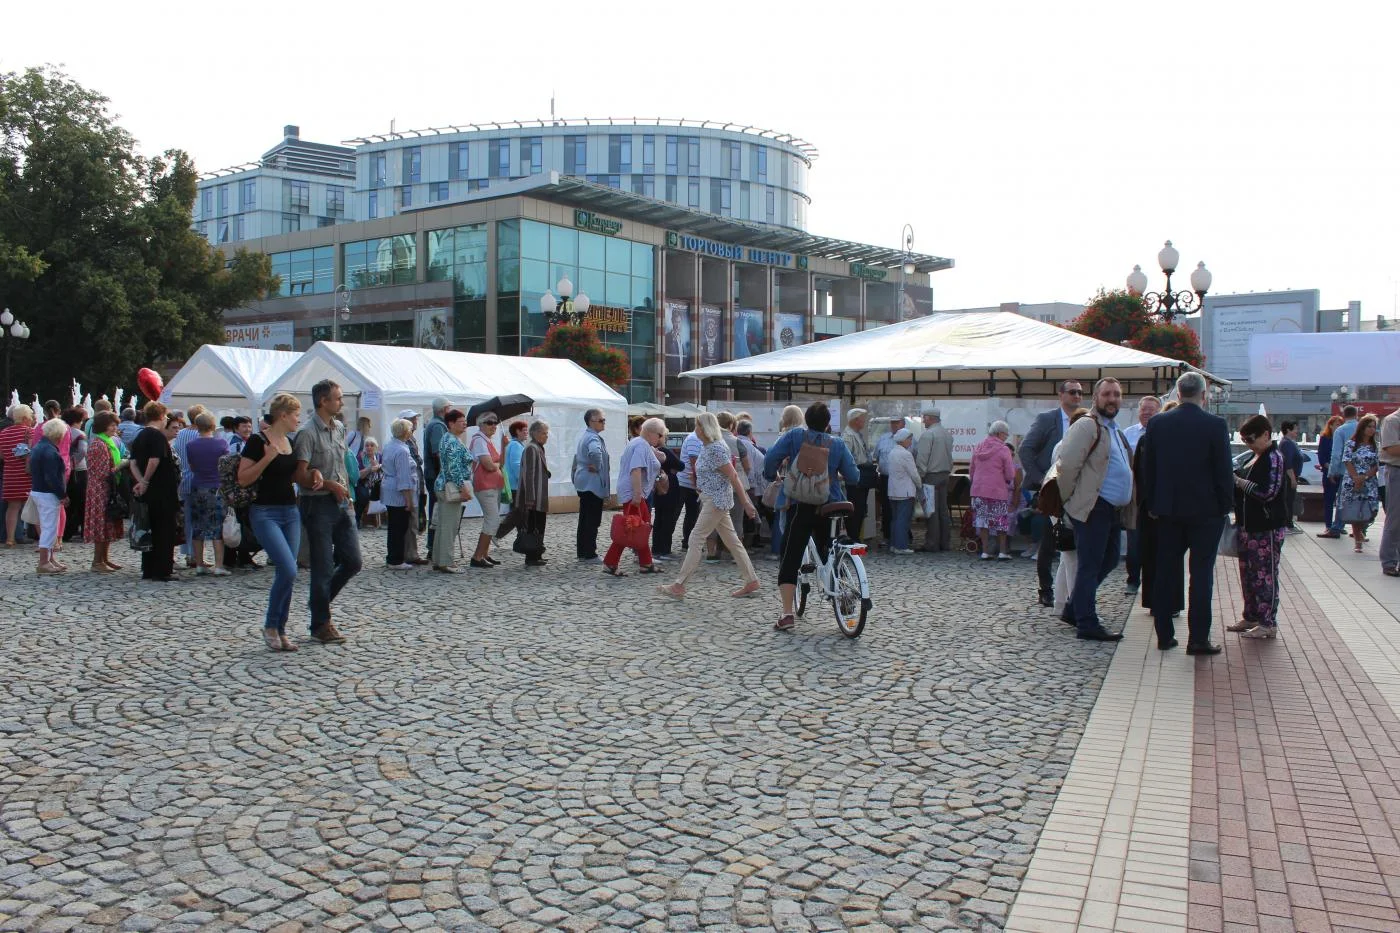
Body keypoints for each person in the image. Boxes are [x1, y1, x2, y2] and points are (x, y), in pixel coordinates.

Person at [1139, 372, 1233, 654]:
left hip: (1167, 511)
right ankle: (1198, 639)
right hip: (1206, 512)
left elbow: (1148, 468)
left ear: (1178, 394)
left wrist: (1152, 504)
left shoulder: (1158, 423)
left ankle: (1164, 635)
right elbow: (1223, 471)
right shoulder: (1215, 425)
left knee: (1165, 571)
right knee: (1201, 575)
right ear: (1204, 395)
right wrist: (1226, 506)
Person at [764, 403, 860, 631]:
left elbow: (771, 458)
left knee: (790, 555)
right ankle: (842, 589)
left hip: (800, 505)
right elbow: (854, 476)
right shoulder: (837, 443)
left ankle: (787, 614)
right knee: (832, 549)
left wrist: (771, 475)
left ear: (806, 420)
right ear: (828, 424)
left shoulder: (794, 436)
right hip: (831, 505)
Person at [1055, 378, 1136, 643]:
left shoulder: (1113, 429)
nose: (1112, 399)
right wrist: (1069, 503)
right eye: (1107, 394)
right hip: (1093, 507)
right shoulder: (1087, 425)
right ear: (1096, 398)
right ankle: (1087, 623)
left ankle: (1073, 608)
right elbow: (1066, 467)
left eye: (1117, 394)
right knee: (1089, 566)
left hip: (1112, 509)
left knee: (1109, 559)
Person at [657, 413, 759, 597]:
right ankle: (751, 580)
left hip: (716, 500)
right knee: (732, 542)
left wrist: (746, 502)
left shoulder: (715, 448)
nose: (695, 429)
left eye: (697, 425)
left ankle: (679, 584)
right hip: (713, 499)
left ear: (704, 428)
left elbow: (733, 475)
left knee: (696, 538)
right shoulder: (708, 446)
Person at [293, 380, 360, 645]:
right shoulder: (307, 433)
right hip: (317, 504)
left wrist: (345, 491)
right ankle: (321, 623)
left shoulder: (339, 428)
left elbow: (341, 465)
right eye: (338, 398)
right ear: (323, 401)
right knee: (322, 566)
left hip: (341, 502)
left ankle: (318, 603)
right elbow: (299, 475)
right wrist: (329, 484)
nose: (341, 402)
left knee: (353, 561)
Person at [239, 393, 303, 652]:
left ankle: (281, 629)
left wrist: (314, 475)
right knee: (288, 569)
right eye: (296, 414)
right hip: (265, 512)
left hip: (290, 512)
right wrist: (267, 458)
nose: (299, 419)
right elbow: (243, 478)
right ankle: (270, 625)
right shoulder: (258, 441)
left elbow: (291, 475)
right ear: (283, 415)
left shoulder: (290, 442)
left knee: (287, 573)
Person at [1020, 379, 1086, 607]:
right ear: (1061, 395)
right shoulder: (1047, 419)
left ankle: (1067, 594)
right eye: (1072, 392)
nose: (1077, 396)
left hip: (1077, 492)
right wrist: (1040, 479)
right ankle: (1045, 589)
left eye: (1080, 392)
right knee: (1049, 542)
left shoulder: (1086, 421)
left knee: (1071, 547)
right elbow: (1025, 449)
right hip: (1053, 491)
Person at [1225, 415, 1290, 640]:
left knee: (1265, 575)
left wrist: (1240, 482)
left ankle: (1267, 622)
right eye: (1244, 440)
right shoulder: (1256, 456)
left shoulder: (1274, 457)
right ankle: (1252, 615)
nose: (1248, 444)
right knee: (1249, 574)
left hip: (1267, 526)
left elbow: (1268, 492)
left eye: (1251, 439)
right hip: (1249, 525)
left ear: (1266, 434)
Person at [604, 416, 668, 576]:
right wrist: (637, 496)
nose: (660, 439)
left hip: (635, 493)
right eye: (660, 435)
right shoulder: (641, 445)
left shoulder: (641, 443)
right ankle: (610, 563)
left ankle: (646, 563)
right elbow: (636, 469)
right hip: (634, 494)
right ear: (651, 432)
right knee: (631, 528)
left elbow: (660, 458)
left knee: (641, 526)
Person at [128, 401, 180, 583]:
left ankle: (148, 568)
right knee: (164, 530)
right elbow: (154, 460)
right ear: (161, 417)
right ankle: (162, 570)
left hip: (148, 490)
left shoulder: (140, 435)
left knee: (149, 529)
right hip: (162, 489)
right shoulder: (157, 436)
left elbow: (133, 462)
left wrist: (141, 481)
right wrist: (146, 480)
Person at [1051, 408, 1093, 615]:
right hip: (1067, 505)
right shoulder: (1067, 445)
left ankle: (1060, 604)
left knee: (1067, 557)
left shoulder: (1064, 443)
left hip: (1063, 505)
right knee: (1073, 559)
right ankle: (1075, 607)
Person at [1121, 396, 1160, 594]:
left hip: (1156, 495)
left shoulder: (1164, 434)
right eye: (1144, 409)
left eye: (1151, 410)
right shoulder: (1127, 434)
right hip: (1134, 494)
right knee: (1134, 541)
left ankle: (1154, 583)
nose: (1146, 413)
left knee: (1156, 542)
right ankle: (1133, 580)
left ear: (1159, 412)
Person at [184, 412, 231, 576]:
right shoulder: (221, 444)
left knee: (197, 526)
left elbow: (192, 466)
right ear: (213, 425)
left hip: (198, 486)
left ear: (197, 426)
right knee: (217, 527)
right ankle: (219, 565)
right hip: (216, 487)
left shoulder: (191, 445)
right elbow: (226, 466)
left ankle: (199, 564)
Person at [431, 409, 474, 573]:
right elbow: (453, 469)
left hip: (444, 485)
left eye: (465, 421)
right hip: (451, 487)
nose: (465, 424)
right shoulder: (452, 442)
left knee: (443, 525)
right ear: (451, 423)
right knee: (449, 526)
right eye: (461, 422)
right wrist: (463, 489)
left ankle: (438, 559)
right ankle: (446, 561)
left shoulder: (448, 438)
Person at [85, 410, 126, 573]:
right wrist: (122, 465)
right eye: (112, 425)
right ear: (103, 426)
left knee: (108, 524)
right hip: (100, 490)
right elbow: (103, 472)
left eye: (116, 425)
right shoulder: (99, 444)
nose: (115, 428)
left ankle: (105, 558)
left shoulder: (107, 441)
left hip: (106, 488)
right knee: (100, 525)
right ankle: (97, 561)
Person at [969, 422, 1017, 561]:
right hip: (997, 490)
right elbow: (1010, 473)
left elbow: (971, 469)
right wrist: (1008, 480)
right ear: (999, 433)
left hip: (978, 490)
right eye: (1005, 434)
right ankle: (1002, 552)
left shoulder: (978, 447)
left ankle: (985, 552)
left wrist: (976, 482)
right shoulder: (1004, 449)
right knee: (1000, 522)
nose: (1006, 437)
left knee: (982, 521)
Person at [28, 418, 69, 574]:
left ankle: (50, 559)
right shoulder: (50, 451)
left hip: (38, 490)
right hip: (47, 493)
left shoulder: (39, 446)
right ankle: (44, 561)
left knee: (49, 526)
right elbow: (52, 477)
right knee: (49, 528)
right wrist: (62, 495)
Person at [465, 412, 505, 569]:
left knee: (492, 520)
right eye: (489, 422)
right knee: (492, 520)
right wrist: (496, 465)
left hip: (493, 485)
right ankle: (477, 556)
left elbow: (501, 462)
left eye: (495, 422)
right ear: (481, 424)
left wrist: (504, 446)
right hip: (485, 485)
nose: (493, 425)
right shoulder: (479, 441)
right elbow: (489, 465)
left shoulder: (488, 441)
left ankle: (484, 554)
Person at [1338, 414, 1381, 554]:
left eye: (1374, 427)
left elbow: (1377, 465)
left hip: (1369, 482)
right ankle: (1357, 540)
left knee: (1371, 509)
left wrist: (1365, 476)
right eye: (1369, 426)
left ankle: (1362, 530)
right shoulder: (1351, 443)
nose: (1372, 429)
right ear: (1362, 428)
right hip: (1352, 481)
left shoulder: (1375, 445)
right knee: (1354, 510)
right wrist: (1356, 478)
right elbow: (1347, 460)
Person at [572, 408, 610, 562]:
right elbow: (595, 452)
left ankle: (582, 552)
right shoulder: (593, 438)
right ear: (591, 421)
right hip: (592, 484)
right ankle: (590, 553)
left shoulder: (586, 436)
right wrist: (597, 465)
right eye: (601, 420)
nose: (604, 423)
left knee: (585, 518)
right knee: (592, 519)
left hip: (584, 483)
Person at [915, 405, 954, 552]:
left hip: (931, 476)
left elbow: (922, 458)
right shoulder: (947, 434)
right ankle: (945, 542)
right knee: (943, 511)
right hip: (945, 474)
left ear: (930, 418)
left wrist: (919, 477)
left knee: (931, 511)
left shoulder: (928, 435)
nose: (923, 421)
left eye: (924, 418)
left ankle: (932, 543)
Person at [769, 405, 806, 558]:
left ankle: (781, 552)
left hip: (789, 484)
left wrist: (772, 475)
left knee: (783, 520)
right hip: (809, 485)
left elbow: (771, 459)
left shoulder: (784, 436)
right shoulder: (806, 434)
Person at [515, 420, 551, 567]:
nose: (546, 436)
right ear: (535, 433)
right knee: (532, 526)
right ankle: (531, 556)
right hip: (534, 497)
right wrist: (530, 498)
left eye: (547, 433)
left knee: (539, 525)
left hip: (539, 495)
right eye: (543, 433)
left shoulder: (538, 447)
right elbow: (528, 475)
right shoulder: (531, 448)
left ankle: (537, 554)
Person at [1321, 405, 1359, 538]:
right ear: (1356, 414)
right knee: (1359, 500)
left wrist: (1332, 472)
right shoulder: (1362, 428)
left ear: (1344, 415)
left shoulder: (1341, 430)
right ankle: (1360, 530)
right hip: (1363, 471)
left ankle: (1336, 528)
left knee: (1342, 500)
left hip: (1346, 471)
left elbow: (1336, 454)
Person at [1, 403, 37, 547]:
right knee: (35, 507)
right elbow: (34, 453)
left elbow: (2, 455)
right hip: (26, 475)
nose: (32, 419)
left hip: (10, 474)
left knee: (12, 507)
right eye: (30, 417)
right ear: (24, 418)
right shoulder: (29, 432)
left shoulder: (3, 433)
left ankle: (10, 539)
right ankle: (45, 540)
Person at [492, 420, 530, 545]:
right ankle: (497, 533)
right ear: (517, 431)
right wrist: (524, 481)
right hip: (517, 485)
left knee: (521, 514)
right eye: (524, 430)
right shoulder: (516, 446)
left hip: (514, 484)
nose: (527, 432)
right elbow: (516, 465)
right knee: (518, 512)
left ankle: (522, 540)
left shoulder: (514, 445)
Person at [885, 427, 921, 554]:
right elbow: (914, 474)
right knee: (903, 520)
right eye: (909, 439)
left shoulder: (892, 452)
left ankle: (893, 544)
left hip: (893, 491)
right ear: (903, 440)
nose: (910, 441)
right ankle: (901, 546)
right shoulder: (906, 454)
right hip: (905, 492)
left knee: (895, 519)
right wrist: (920, 485)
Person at [422, 398, 451, 554]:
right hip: (436, 475)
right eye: (448, 408)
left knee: (436, 509)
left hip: (434, 474)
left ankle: (433, 547)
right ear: (443, 410)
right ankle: (433, 547)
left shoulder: (436, 424)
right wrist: (445, 476)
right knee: (437, 511)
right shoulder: (438, 426)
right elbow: (439, 453)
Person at [872, 415, 906, 547]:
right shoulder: (883, 438)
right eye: (892, 423)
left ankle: (903, 535)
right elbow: (876, 456)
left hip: (901, 479)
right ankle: (887, 535)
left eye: (897, 423)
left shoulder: (909, 439)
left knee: (901, 508)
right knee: (886, 507)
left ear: (903, 424)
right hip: (886, 478)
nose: (894, 425)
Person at [841, 408, 874, 543]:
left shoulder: (857, 434)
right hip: (855, 478)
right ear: (855, 420)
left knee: (860, 509)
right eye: (862, 419)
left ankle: (856, 537)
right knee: (855, 509)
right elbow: (847, 459)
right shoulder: (848, 436)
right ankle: (853, 538)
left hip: (862, 476)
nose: (864, 422)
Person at [650, 439, 684, 561]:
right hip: (668, 486)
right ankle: (665, 550)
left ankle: (656, 548)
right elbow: (681, 465)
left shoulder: (650, 450)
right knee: (668, 519)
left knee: (658, 518)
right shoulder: (663, 451)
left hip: (657, 486)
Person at [1378, 406, 1400, 577]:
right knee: (1395, 519)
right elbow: (1391, 448)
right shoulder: (1392, 421)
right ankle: (1389, 561)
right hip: (1396, 471)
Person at [675, 426, 704, 552]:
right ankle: (664, 546)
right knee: (675, 514)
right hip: (685, 483)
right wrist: (699, 484)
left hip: (692, 484)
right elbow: (695, 463)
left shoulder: (699, 438)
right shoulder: (694, 438)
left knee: (692, 515)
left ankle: (687, 542)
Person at [63, 408, 89, 542]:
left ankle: (65, 531)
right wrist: (73, 463)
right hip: (79, 470)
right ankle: (84, 531)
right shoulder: (80, 434)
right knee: (81, 501)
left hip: (64, 470)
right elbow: (83, 451)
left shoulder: (62, 431)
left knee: (68, 503)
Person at [1315, 415, 1344, 535]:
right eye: (1337, 424)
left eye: (1341, 424)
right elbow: (1321, 456)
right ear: (1330, 425)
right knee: (1329, 500)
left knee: (1342, 501)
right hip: (1328, 473)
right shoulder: (1325, 438)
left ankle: (1339, 526)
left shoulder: (1342, 437)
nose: (1339, 426)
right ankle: (1328, 525)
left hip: (1341, 473)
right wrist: (1331, 468)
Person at [1277, 420, 1305, 534]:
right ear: (1288, 430)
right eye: (1295, 429)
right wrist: (1293, 478)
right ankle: (1287, 524)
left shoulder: (1289, 442)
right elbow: (1287, 462)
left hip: (1291, 476)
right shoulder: (1286, 443)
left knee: (1290, 500)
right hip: (1288, 477)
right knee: (1288, 500)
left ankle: (1289, 523)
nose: (1297, 431)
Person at [355, 436, 383, 529]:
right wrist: (370, 468)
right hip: (363, 483)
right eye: (367, 445)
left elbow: (385, 468)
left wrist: (379, 467)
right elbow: (359, 475)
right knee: (363, 496)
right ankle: (357, 519)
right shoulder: (360, 457)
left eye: (372, 445)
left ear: (376, 447)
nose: (369, 447)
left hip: (377, 483)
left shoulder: (379, 456)